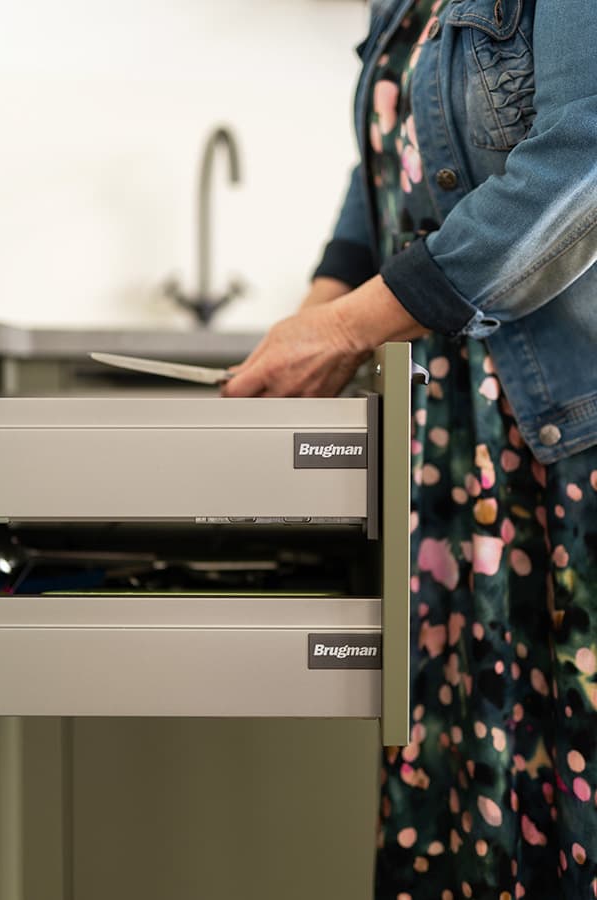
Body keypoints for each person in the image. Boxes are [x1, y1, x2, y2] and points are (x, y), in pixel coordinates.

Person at [223, 0, 597, 895]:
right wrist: (313, 318)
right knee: (467, 775)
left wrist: (346, 329)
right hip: (453, 443)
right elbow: (386, 167)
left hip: (564, 434)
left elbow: (581, 162)